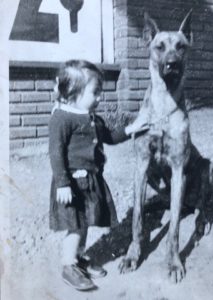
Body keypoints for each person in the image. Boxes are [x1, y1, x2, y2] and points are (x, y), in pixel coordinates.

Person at [48, 60, 148, 290]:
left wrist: (130, 130)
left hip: (90, 181)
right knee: (75, 224)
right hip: (71, 183)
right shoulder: (61, 118)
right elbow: (56, 153)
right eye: (95, 93)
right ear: (74, 93)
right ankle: (68, 265)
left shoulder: (92, 117)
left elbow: (109, 137)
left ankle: (79, 258)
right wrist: (62, 183)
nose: (100, 98)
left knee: (84, 222)